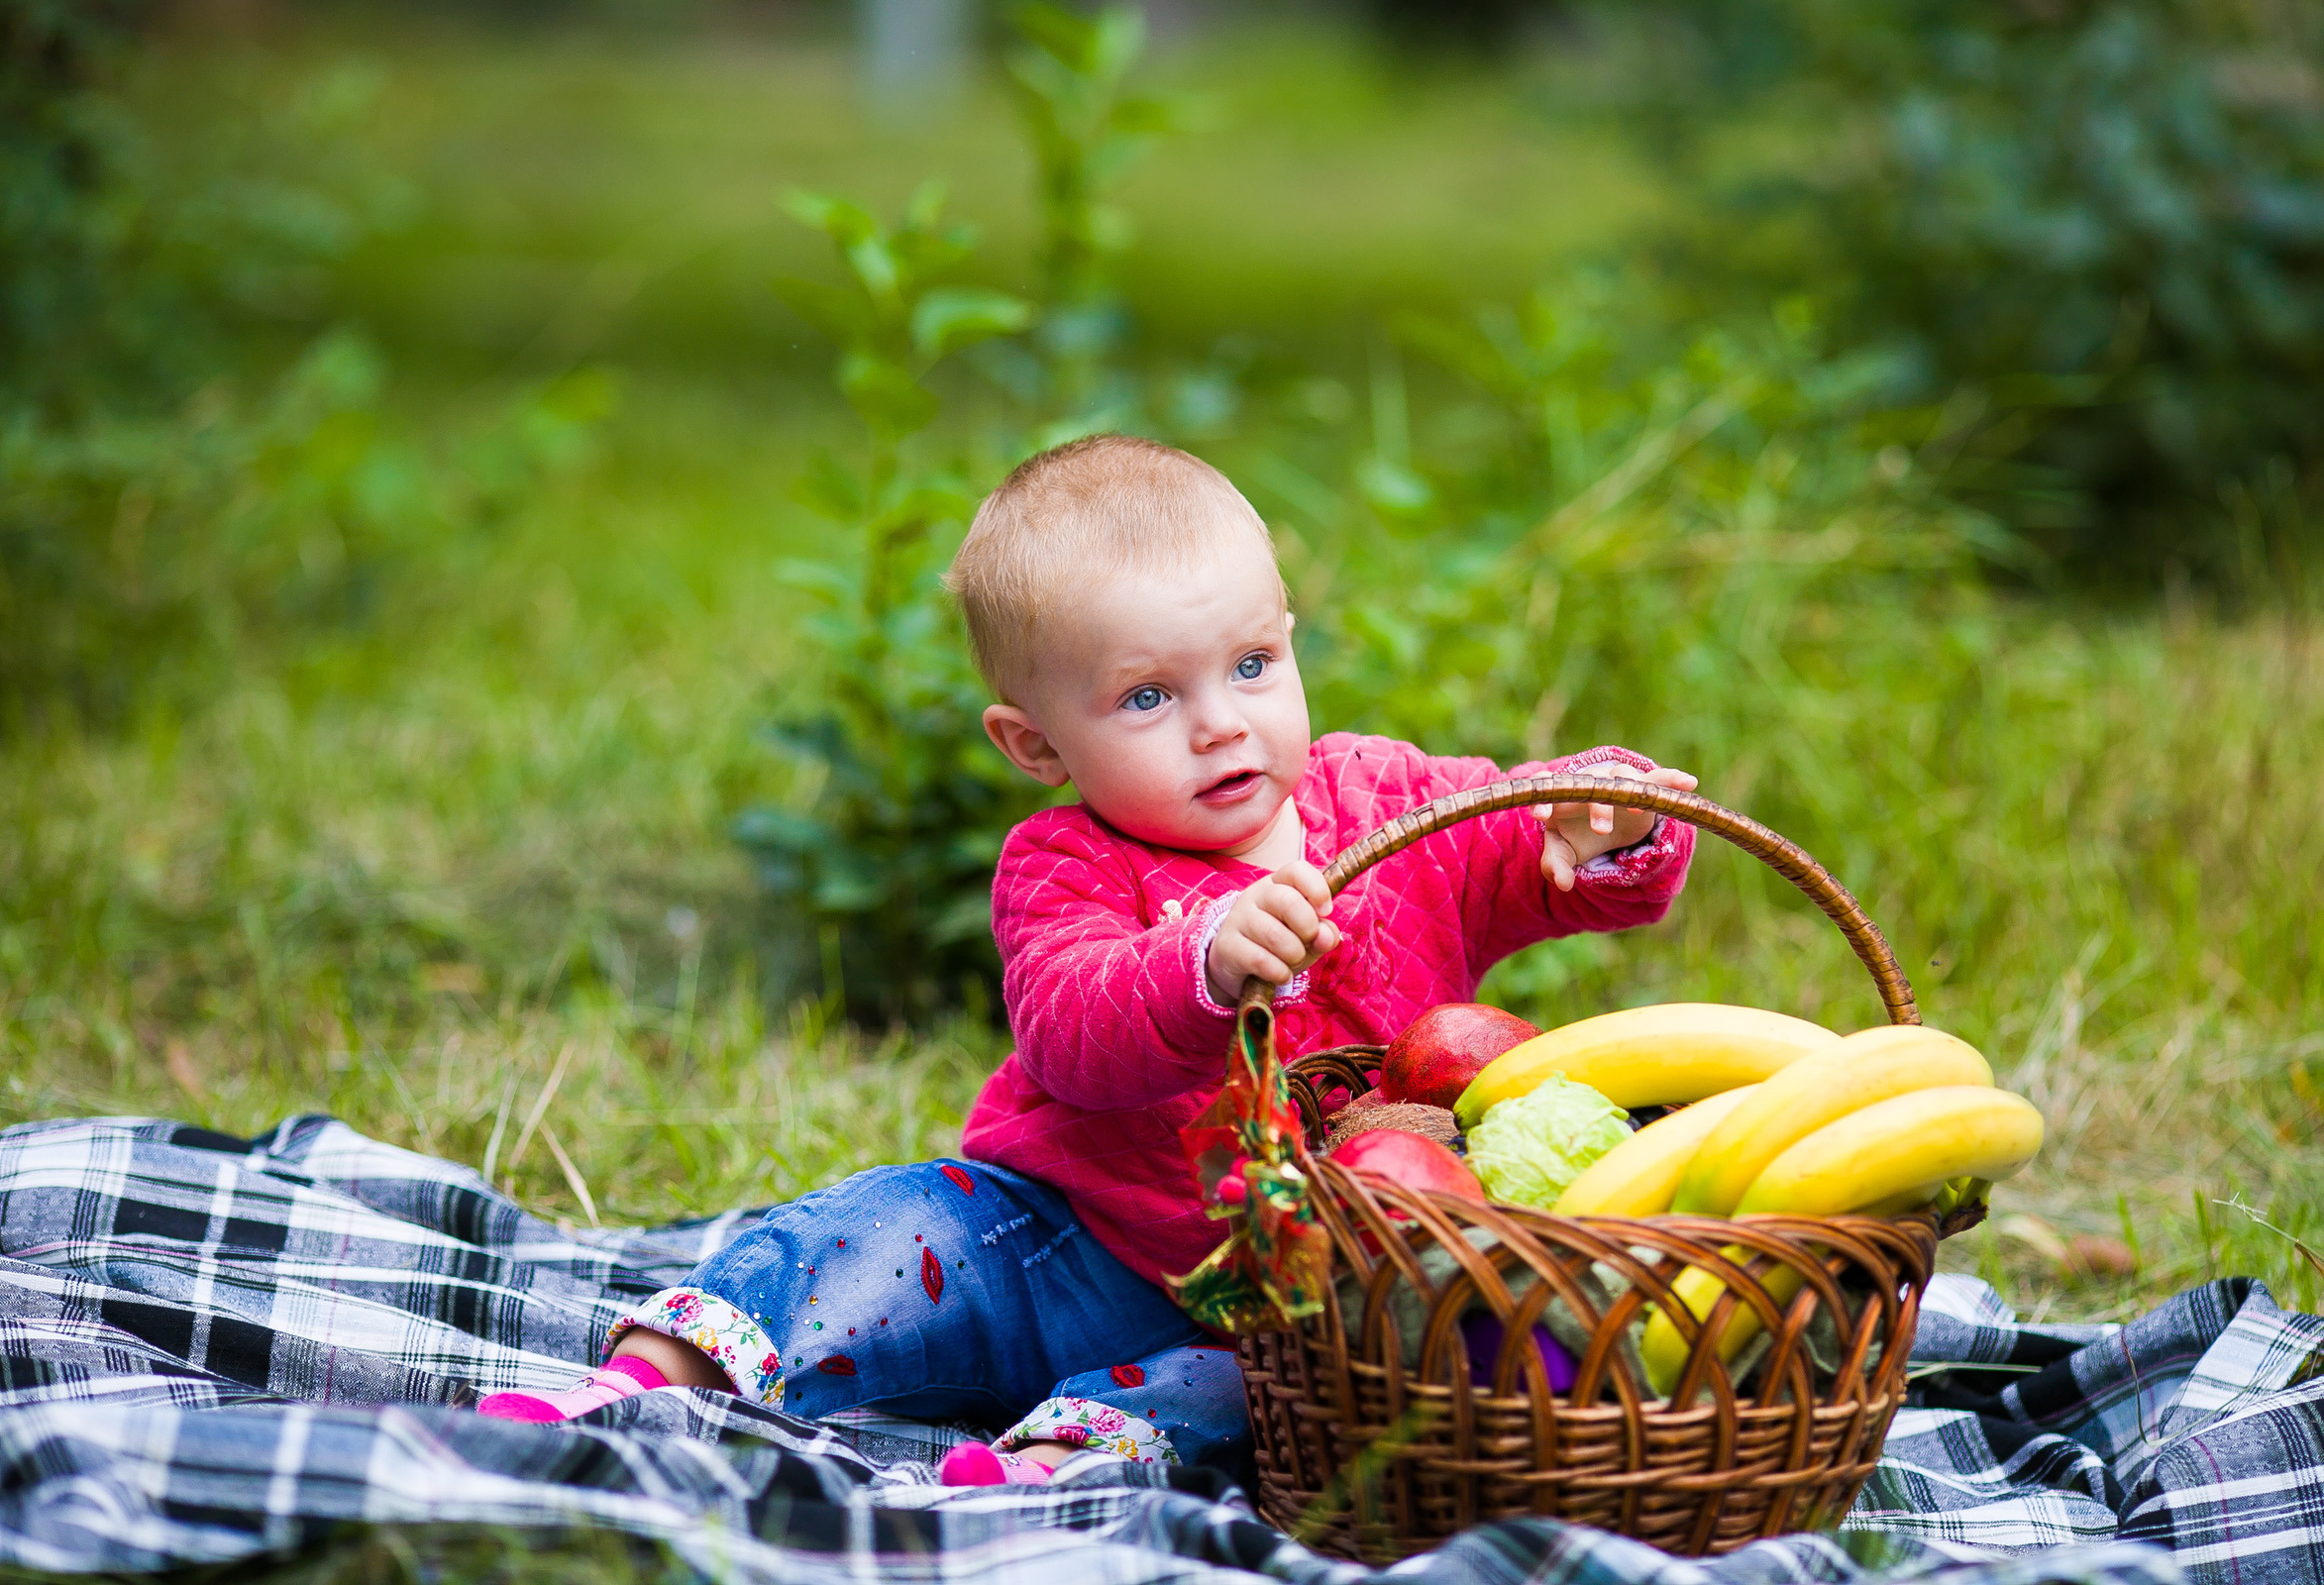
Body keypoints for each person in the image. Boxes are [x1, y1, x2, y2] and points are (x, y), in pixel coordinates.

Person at [476, 435, 1696, 1484]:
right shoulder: (1061, 863)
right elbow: (1073, 1028)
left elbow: (1528, 844)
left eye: (1253, 666)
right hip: (1062, 1241)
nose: (1221, 719)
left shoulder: (1389, 803)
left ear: (1288, 640)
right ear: (1034, 741)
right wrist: (1202, 963)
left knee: (1249, 1404)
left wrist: (1608, 827)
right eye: (1147, 697)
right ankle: (649, 1380)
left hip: (1286, 1305)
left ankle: (1042, 1468)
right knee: (882, 1230)